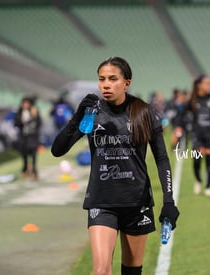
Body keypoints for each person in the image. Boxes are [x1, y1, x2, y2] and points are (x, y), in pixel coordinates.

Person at [51, 57, 180, 275]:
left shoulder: (144, 112)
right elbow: (58, 150)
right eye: (102, 79)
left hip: (137, 202)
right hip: (102, 202)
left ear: (126, 83)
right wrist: (77, 116)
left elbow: (161, 158)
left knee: (132, 271)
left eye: (113, 79)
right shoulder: (92, 113)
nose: (106, 85)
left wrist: (168, 201)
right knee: (101, 271)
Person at [178, 75, 210, 197]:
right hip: (196, 134)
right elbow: (181, 115)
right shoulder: (192, 100)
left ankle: (208, 187)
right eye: (206, 83)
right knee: (197, 161)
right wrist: (180, 127)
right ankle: (198, 181)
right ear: (199, 85)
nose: (209, 86)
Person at [14, 97, 42, 180]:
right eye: (24, 103)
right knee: (24, 154)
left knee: (33, 154)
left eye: (27, 103)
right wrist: (22, 122)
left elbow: (39, 123)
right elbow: (16, 123)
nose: (25, 105)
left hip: (32, 136)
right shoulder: (19, 113)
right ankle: (25, 168)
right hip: (23, 137)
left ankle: (34, 171)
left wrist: (34, 117)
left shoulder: (34, 111)